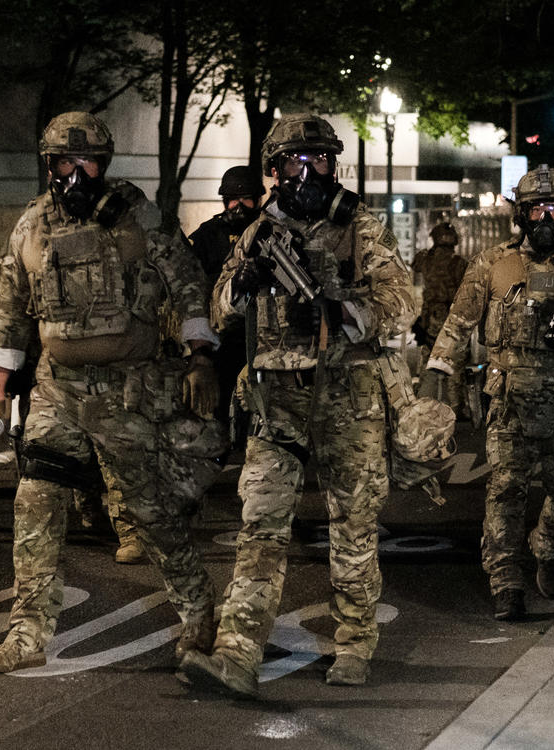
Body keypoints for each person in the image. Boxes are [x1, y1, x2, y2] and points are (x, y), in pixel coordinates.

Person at [0, 111, 220, 674]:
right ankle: (26, 635)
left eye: (88, 162)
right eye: (66, 161)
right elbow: (10, 306)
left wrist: (199, 355)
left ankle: (199, 612)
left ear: (103, 165)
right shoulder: (31, 226)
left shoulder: (137, 217)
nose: (76, 172)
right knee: (35, 503)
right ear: (50, 165)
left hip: (125, 392)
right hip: (56, 391)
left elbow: (186, 280)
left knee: (150, 512)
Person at [179, 114, 415, 696]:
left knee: (354, 530)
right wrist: (245, 282)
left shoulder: (361, 228)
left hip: (348, 401)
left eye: (320, 162)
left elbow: (403, 302)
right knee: (259, 529)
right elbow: (217, 311)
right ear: (275, 170)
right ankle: (237, 653)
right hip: (276, 404)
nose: (308, 173)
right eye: (295, 163)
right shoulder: (259, 231)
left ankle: (355, 644)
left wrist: (340, 314)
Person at [421, 165, 554, 621]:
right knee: (505, 491)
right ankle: (506, 580)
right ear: (521, 215)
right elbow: (459, 323)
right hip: (510, 404)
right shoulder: (492, 264)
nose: (546, 219)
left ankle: (547, 545)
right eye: (537, 209)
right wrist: (436, 375)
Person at [187, 166, 266, 436]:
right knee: (217, 398)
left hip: (262, 334)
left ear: (258, 199)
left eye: (247, 198)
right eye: (233, 198)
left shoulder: (268, 231)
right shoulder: (208, 235)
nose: (239, 205)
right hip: (222, 333)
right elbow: (191, 282)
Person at [412, 222, 468, 414]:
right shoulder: (459, 263)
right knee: (455, 362)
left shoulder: (426, 259)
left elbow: (414, 264)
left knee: (428, 360)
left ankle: (423, 403)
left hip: (429, 318)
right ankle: (455, 406)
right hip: (452, 317)